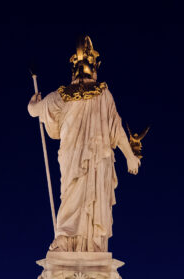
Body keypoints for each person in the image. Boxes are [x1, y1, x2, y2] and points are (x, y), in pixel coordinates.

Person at [27, 35, 141, 252]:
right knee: (78, 194)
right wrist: (129, 156)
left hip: (76, 156)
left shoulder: (64, 95)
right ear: (94, 70)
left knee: (72, 192)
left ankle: (70, 239)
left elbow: (35, 110)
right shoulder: (103, 94)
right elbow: (115, 130)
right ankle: (81, 241)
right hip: (94, 157)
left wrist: (33, 103)